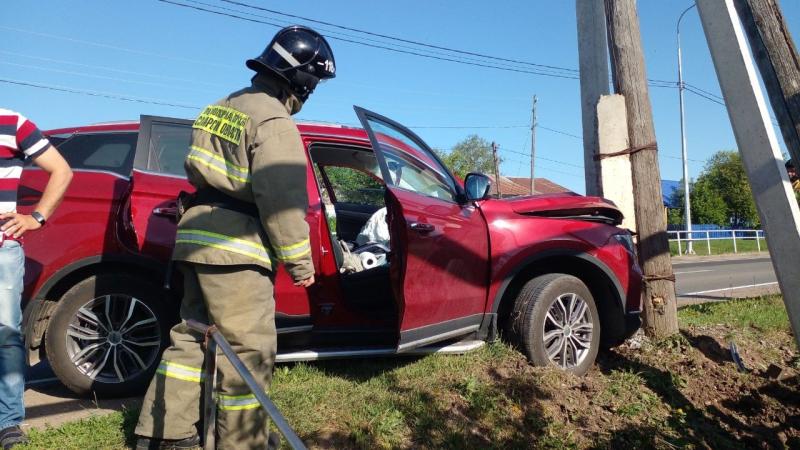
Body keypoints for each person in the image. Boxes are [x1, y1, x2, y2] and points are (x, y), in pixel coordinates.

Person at [135, 26, 335, 450]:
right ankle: (242, 444)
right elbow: (281, 201)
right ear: (300, 78)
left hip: (196, 241)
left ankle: (166, 434)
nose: (312, 90)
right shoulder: (274, 121)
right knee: (247, 353)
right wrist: (301, 264)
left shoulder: (220, 107)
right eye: (314, 81)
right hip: (236, 250)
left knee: (190, 338)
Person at [0, 109, 72, 449]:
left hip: (1, 250)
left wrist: (36, 218)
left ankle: (8, 422)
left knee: (5, 335)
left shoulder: (12, 123)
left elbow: (61, 170)